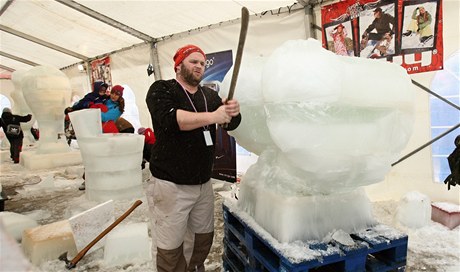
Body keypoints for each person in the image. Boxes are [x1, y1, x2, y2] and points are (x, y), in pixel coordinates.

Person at [145, 44, 241, 272]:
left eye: (201, 63)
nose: (199, 66)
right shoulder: (162, 89)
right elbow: (171, 120)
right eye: (193, 61)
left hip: (202, 182)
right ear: (178, 65)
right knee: (170, 244)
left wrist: (233, 113)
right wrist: (214, 116)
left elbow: (229, 123)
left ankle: (194, 267)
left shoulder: (209, 95)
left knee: (202, 236)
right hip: (171, 183)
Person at [79, 84, 125, 190]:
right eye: (113, 93)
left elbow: (106, 117)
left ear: (120, 96)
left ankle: (108, 180)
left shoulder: (118, 108)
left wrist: (95, 110)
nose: (114, 96)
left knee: (105, 158)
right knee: (91, 157)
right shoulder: (104, 99)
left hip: (107, 135)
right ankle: (88, 180)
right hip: (94, 131)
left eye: (117, 94)